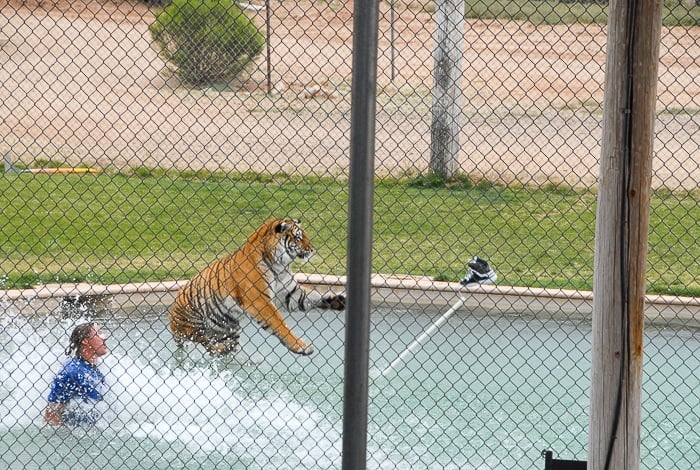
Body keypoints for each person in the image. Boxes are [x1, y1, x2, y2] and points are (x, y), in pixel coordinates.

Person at [44, 322, 108, 426]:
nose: (105, 337)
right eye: (98, 333)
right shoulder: (72, 373)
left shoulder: (92, 367)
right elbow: (50, 417)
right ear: (85, 341)